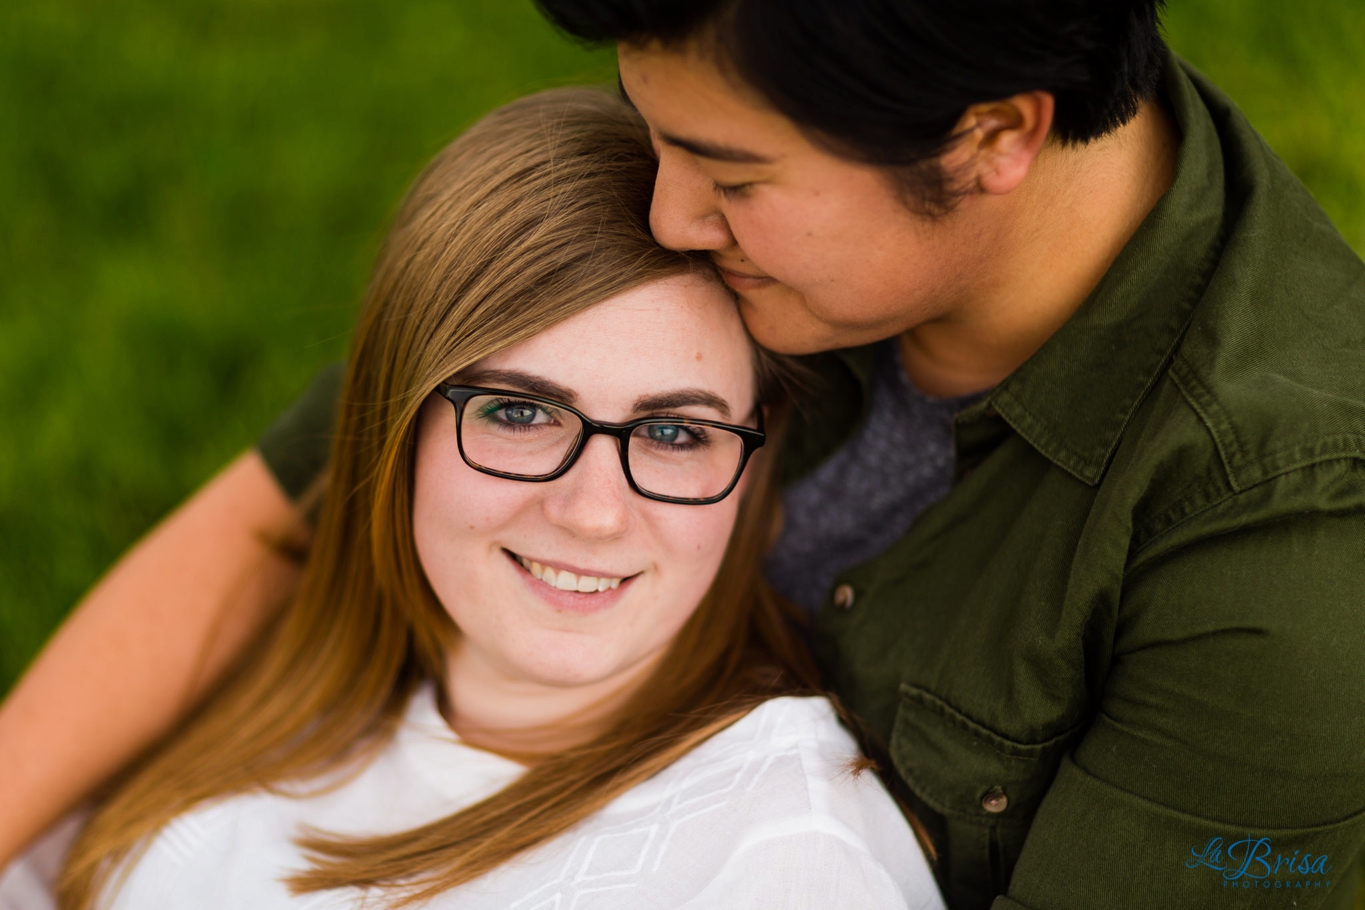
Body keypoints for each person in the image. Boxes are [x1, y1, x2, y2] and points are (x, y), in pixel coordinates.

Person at [3, 1, 1365, 907]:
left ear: (992, 135)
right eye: (651, 130)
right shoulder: (787, 183)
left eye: (731, 175)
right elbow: (283, 513)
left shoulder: (1288, 549)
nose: (661, 208)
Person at [0, 88, 943, 910]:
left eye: (671, 433)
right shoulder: (265, 680)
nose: (592, 513)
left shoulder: (781, 862)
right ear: (392, 413)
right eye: (520, 412)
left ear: (757, 444)